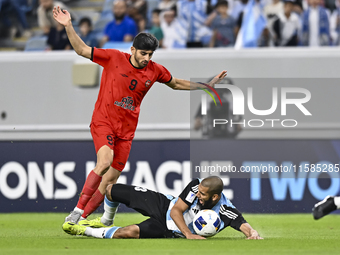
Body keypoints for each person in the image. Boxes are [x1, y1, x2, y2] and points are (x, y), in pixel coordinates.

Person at [52, 5, 227, 227]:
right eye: (143, 53)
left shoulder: (155, 70)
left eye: (150, 54)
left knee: (110, 181)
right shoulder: (113, 57)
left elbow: (175, 83)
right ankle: (77, 211)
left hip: (126, 131)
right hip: (104, 121)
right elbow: (82, 50)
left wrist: (205, 85)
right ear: (133, 50)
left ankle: (94, 219)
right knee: (104, 162)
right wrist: (68, 25)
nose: (146, 58)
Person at [62, 176, 263, 239]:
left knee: (129, 232)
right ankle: (106, 220)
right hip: (164, 206)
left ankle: (83, 230)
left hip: (170, 231)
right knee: (111, 189)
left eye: (202, 194)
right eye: (198, 192)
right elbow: (176, 210)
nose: (198, 195)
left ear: (215, 197)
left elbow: (242, 224)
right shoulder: (196, 185)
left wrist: (252, 233)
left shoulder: (224, 209)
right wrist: (190, 234)